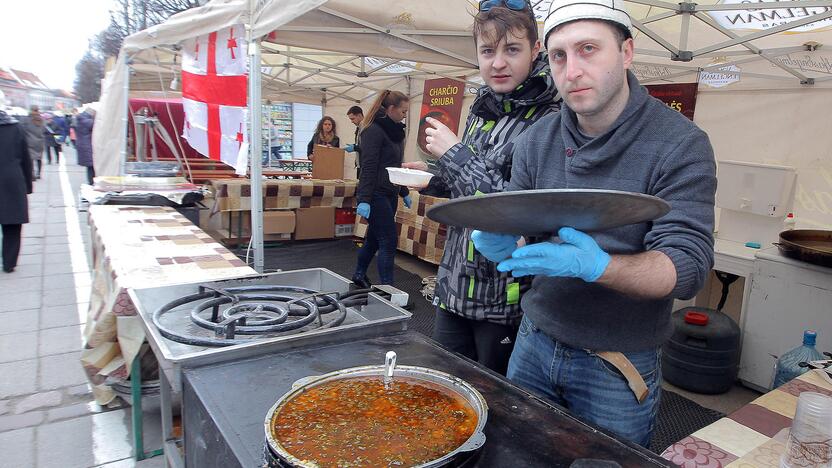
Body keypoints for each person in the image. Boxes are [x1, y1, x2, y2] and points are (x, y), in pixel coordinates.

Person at [471, 0, 716, 446]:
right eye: (560, 55)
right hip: (534, 338)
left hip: (618, 361)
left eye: (589, 49)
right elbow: (530, 228)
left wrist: (598, 267)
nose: (572, 70)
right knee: (519, 452)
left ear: (626, 52)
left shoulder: (679, 144)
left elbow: (686, 268)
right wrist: (509, 238)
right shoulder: (537, 140)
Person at [401, 0, 560, 375]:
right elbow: (470, 184)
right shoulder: (482, 108)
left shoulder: (550, 119)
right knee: (444, 393)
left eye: (512, 50)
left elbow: (516, 210)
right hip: (453, 285)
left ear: (536, 50)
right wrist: (433, 174)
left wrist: (454, 154)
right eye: (488, 51)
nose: (498, 63)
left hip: (504, 300)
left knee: (496, 405)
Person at [352, 90, 411, 288]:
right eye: (403, 111)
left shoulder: (396, 131)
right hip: (376, 193)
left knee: (374, 239)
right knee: (388, 240)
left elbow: (395, 165)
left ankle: (359, 274)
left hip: (390, 193)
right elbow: (368, 166)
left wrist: (403, 191)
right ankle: (388, 289)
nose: (405, 115)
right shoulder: (373, 130)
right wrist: (364, 199)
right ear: (391, 109)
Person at [0, 109, 33, 273]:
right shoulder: (16, 127)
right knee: (12, 223)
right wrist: (28, 184)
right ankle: (9, 262)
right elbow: (25, 158)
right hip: (12, 180)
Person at [19, 106, 44, 179]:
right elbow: (43, 129)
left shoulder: (27, 120)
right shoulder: (41, 120)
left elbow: (22, 129)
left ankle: (32, 174)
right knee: (39, 158)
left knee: (31, 159)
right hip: (40, 142)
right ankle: (39, 174)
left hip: (30, 141)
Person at [75, 106, 96, 184]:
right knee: (91, 165)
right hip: (87, 145)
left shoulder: (82, 118)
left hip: (85, 144)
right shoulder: (85, 120)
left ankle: (91, 181)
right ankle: (91, 182)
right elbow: (94, 124)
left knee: (90, 165)